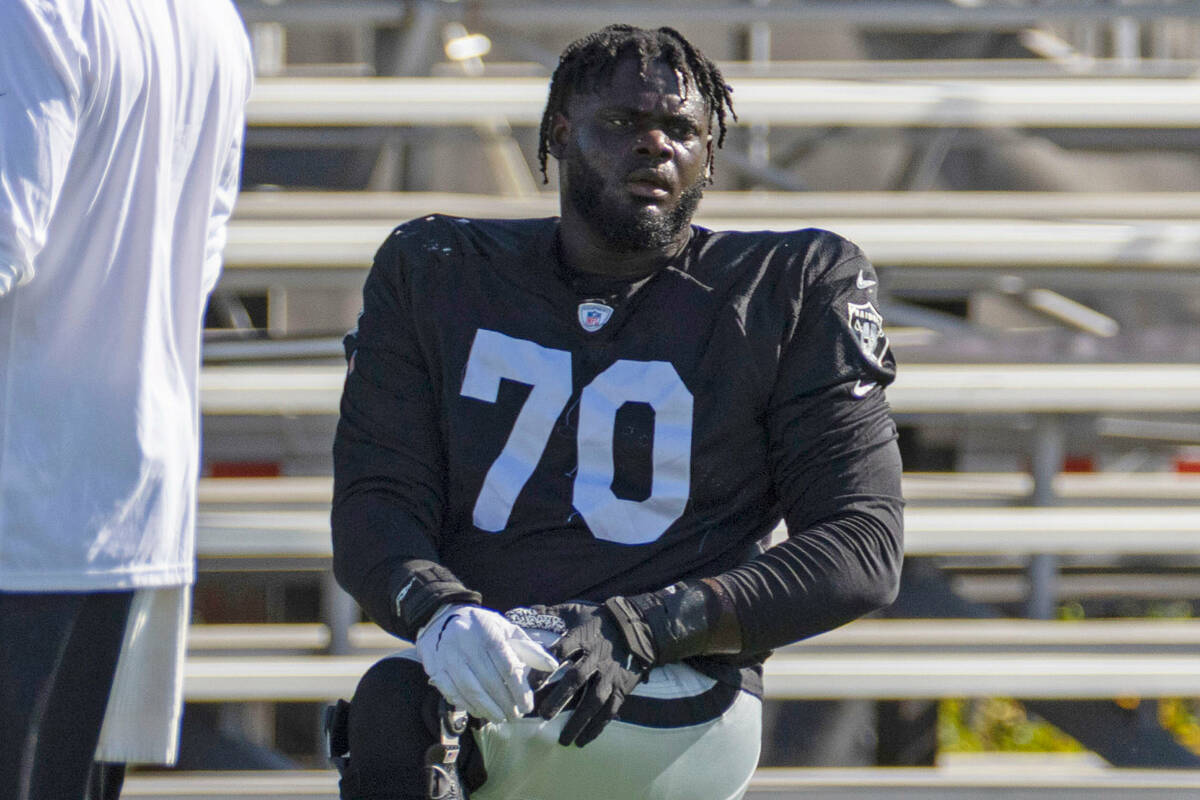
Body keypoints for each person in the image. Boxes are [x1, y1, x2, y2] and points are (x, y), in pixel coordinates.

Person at [331, 24, 903, 800]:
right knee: (396, 703)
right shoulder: (435, 269)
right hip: (497, 663)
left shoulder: (792, 283)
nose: (656, 146)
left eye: (681, 129)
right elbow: (377, 503)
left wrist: (648, 624)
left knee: (402, 709)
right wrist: (441, 613)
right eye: (626, 124)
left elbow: (863, 546)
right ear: (560, 135)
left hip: (678, 681)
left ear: (709, 148)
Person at [0, 1, 253, 797]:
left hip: (27, 495)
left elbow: (6, 237)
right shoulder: (215, 19)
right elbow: (206, 256)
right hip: (131, 488)